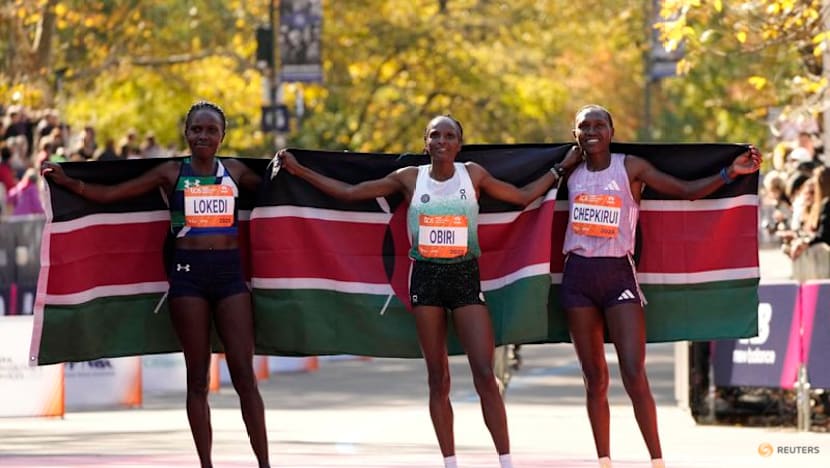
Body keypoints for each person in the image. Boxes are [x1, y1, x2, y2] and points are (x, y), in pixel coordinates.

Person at [277, 115, 580, 468]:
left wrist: (561, 168)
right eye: (435, 135)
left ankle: (506, 461)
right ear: (426, 142)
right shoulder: (409, 178)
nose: (442, 141)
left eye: (449, 136)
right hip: (425, 282)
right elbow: (349, 193)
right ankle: (450, 462)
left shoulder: (473, 175)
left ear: (459, 144)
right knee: (438, 379)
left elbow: (523, 197)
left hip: (465, 279)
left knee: (485, 375)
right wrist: (299, 171)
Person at [41, 101, 271, 468]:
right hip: (188, 277)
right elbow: (114, 195)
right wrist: (70, 183)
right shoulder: (171, 172)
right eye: (196, 129)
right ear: (186, 133)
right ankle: (206, 465)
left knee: (245, 377)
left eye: (211, 130)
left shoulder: (236, 171)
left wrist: (298, 170)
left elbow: (279, 193)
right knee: (197, 379)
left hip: (230, 277)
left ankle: (264, 464)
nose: (203, 136)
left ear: (223, 136)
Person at [559, 104, 761, 468]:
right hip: (578, 278)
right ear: (575, 134)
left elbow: (685, 190)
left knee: (634, 373)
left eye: (599, 125)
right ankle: (604, 460)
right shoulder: (569, 171)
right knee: (595, 378)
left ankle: (656, 460)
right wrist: (559, 167)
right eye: (584, 126)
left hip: (618, 275)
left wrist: (730, 171)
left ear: (611, 131)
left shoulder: (630, 167)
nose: (591, 131)